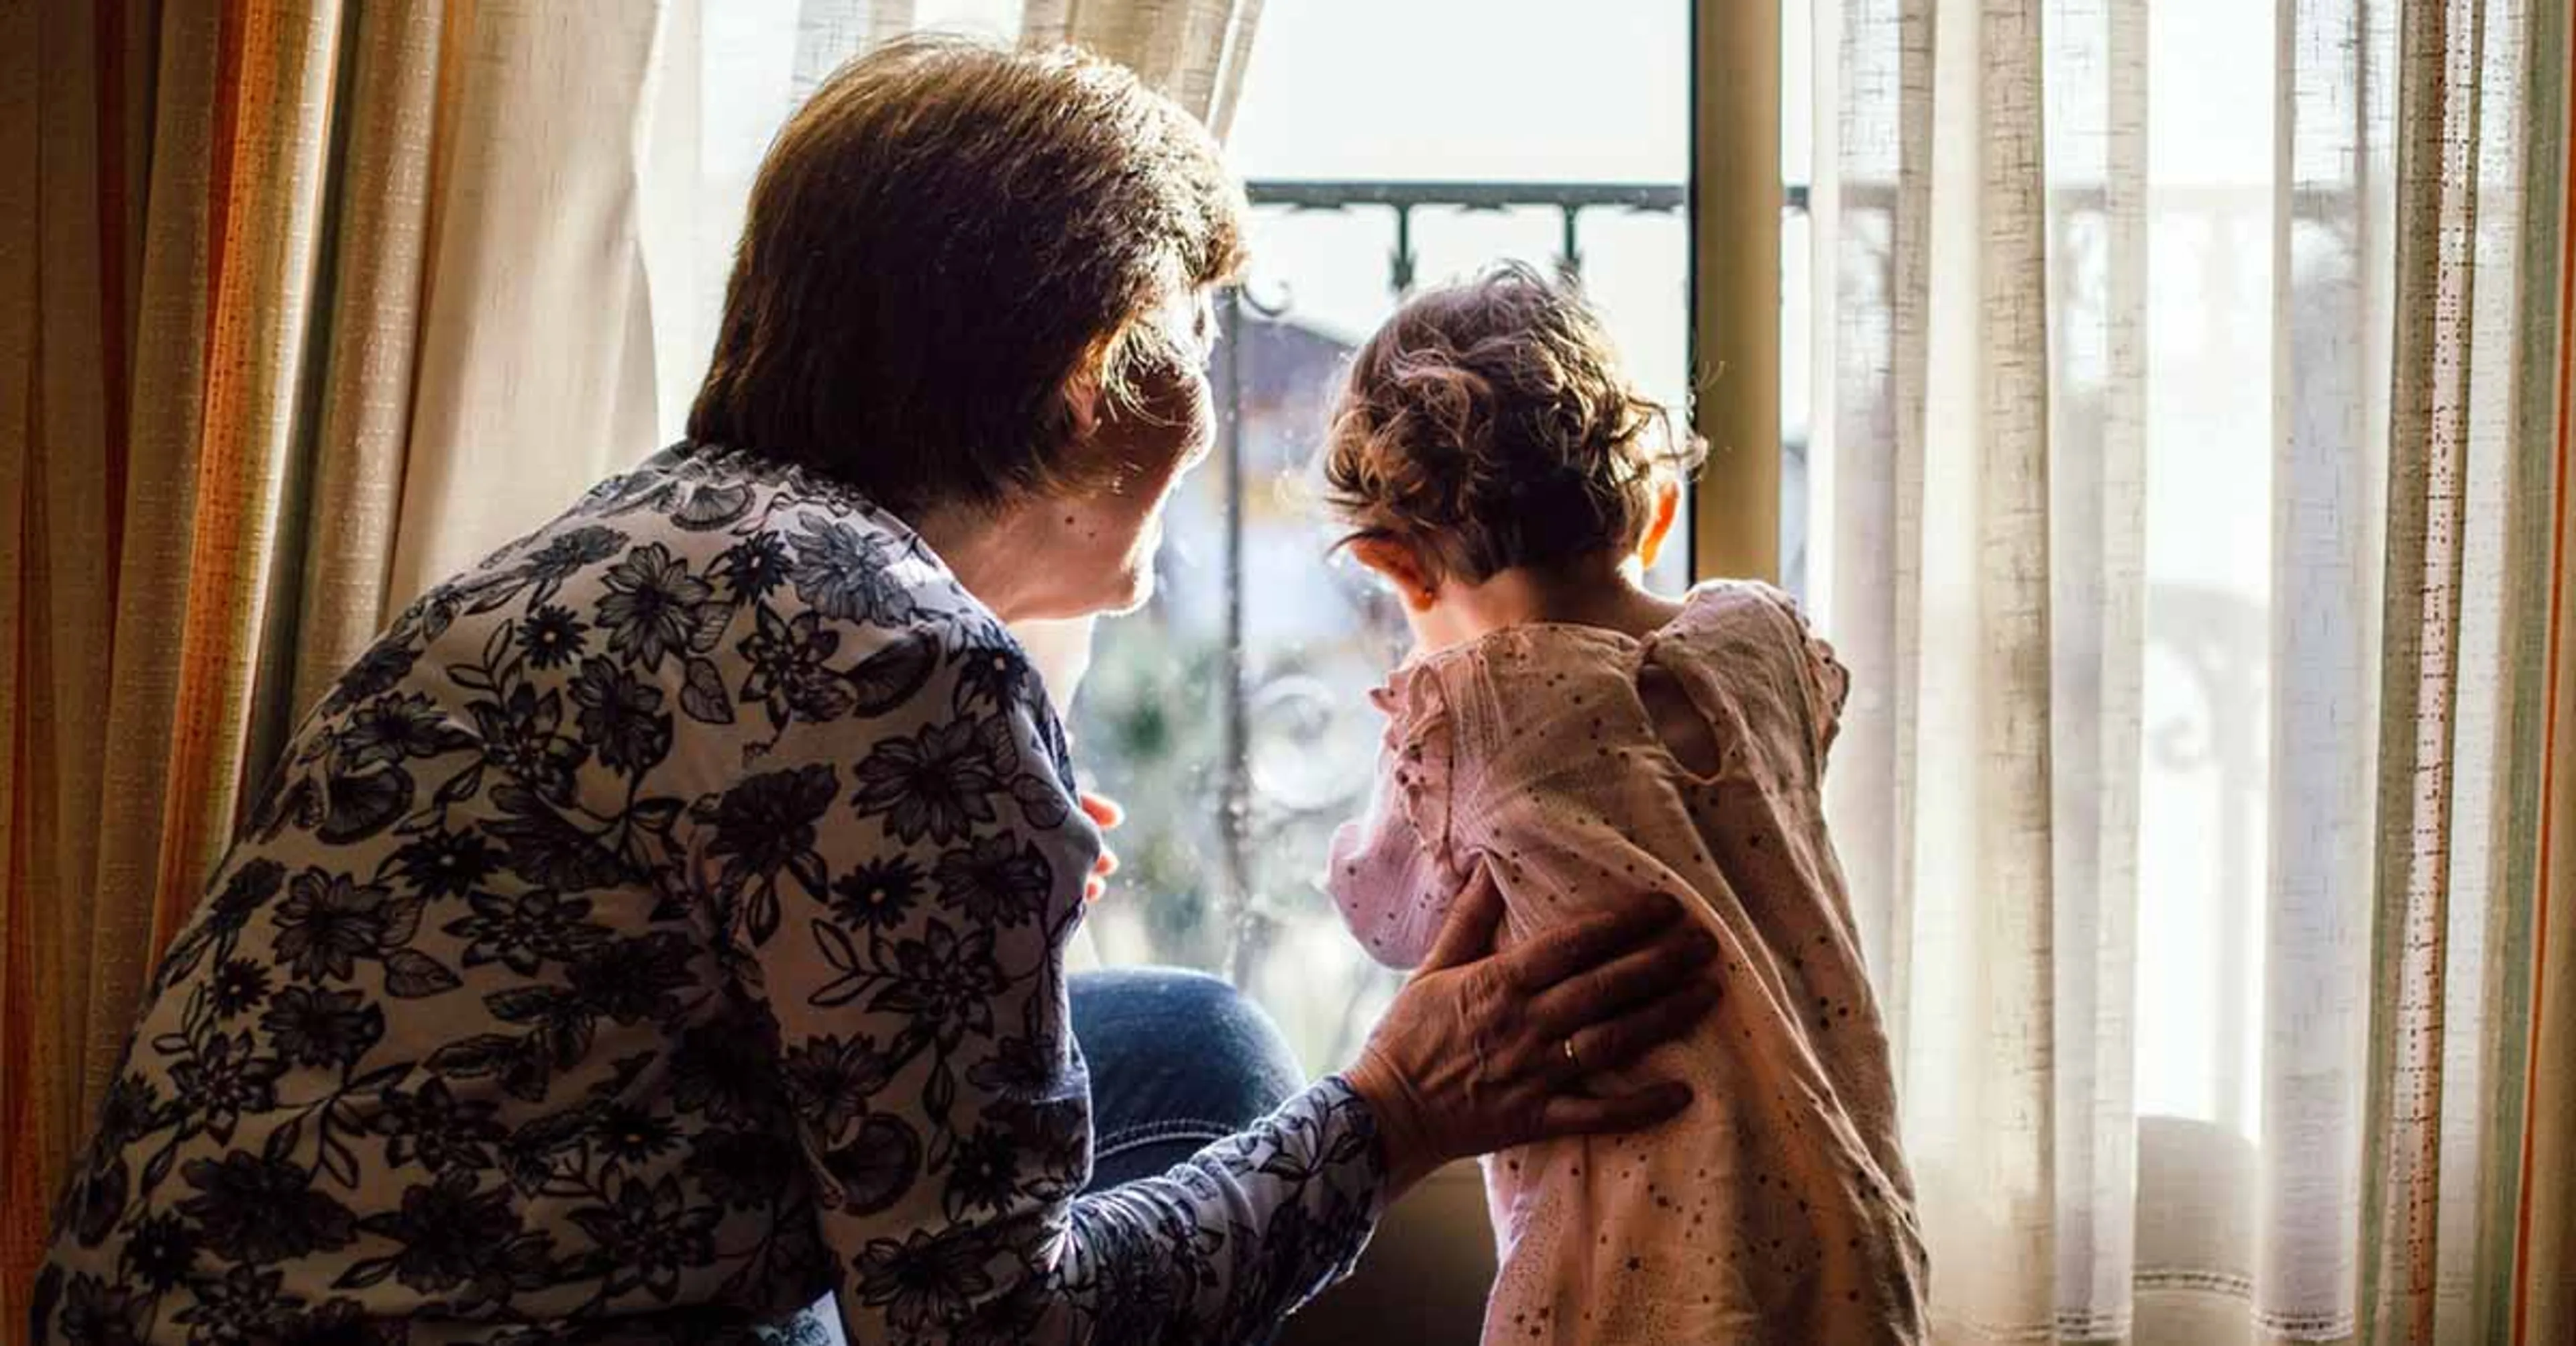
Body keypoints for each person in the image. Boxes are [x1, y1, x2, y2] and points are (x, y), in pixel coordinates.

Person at [30, 40, 1724, 1346]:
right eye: (1189, 347)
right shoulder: (907, 668)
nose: (1202, 411)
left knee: (1197, 1046)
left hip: (197, 1298)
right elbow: (992, 1325)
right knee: (1258, 1105)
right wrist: (1400, 1107)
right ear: (1090, 377)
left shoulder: (630, 538)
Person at [1318, 264, 1929, 1343]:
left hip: (1637, 1259)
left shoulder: (1473, 707)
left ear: (1397, 568)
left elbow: (1392, 918)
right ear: (1657, 515)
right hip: (1847, 1208)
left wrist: (1405, 758)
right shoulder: (1757, 636)